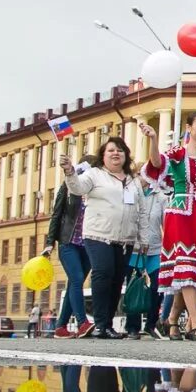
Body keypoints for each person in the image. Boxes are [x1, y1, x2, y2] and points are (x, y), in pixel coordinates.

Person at [139, 112, 196, 341]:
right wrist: (153, 139)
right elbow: (157, 165)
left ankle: (172, 319)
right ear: (189, 127)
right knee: (188, 267)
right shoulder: (179, 154)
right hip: (182, 213)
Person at [62, 135, 144, 340]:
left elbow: (141, 210)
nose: (116, 153)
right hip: (98, 234)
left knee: (117, 280)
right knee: (103, 273)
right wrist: (70, 172)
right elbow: (77, 188)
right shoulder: (95, 174)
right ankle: (99, 324)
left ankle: (108, 324)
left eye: (120, 150)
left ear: (126, 155)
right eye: (111, 150)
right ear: (103, 155)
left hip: (125, 239)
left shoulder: (133, 181)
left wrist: (142, 238)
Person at [44, 161, 91, 336]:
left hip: (87, 245)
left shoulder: (95, 191)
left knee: (74, 283)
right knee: (77, 279)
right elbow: (56, 214)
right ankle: (82, 322)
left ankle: (60, 326)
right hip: (68, 242)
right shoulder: (67, 188)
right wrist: (50, 243)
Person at [126, 175, 167, 339]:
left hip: (155, 248)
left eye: (147, 174)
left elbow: (166, 222)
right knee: (134, 287)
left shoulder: (160, 196)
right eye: (140, 174)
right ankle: (133, 327)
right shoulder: (129, 193)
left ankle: (151, 324)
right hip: (134, 250)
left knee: (157, 287)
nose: (144, 178)